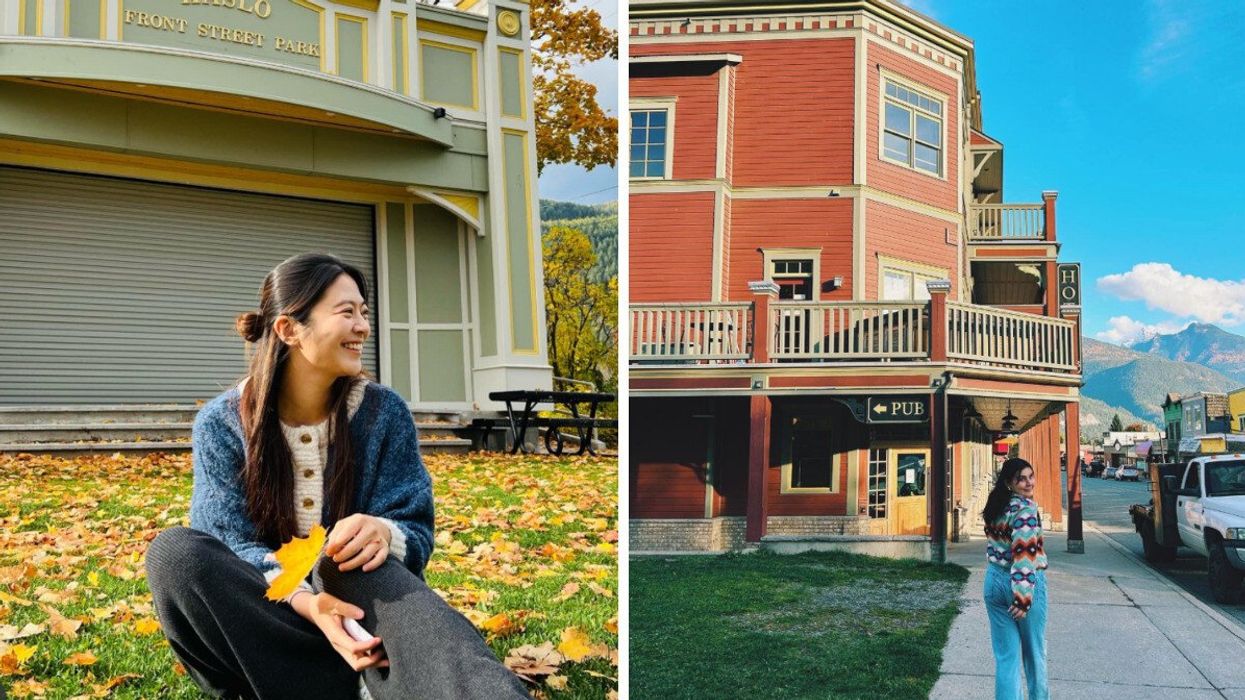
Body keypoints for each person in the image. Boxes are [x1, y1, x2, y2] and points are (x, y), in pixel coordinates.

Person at [145, 253, 530, 700]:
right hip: (274, 624)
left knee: (353, 563)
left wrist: (384, 532)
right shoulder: (221, 424)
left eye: (364, 314)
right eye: (347, 312)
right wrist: (310, 604)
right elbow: (228, 544)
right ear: (289, 329)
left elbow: (415, 529)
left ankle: (389, 683)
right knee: (175, 554)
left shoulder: (384, 413)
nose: (363, 327)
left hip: (367, 615)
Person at [981, 457, 1048, 700]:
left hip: (993, 582)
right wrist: (1022, 598)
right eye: (1022, 479)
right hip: (1021, 586)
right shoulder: (1025, 511)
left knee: (1006, 658)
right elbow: (1024, 555)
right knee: (1034, 654)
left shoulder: (996, 505)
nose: (1029, 483)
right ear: (1010, 482)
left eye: (1031, 476)